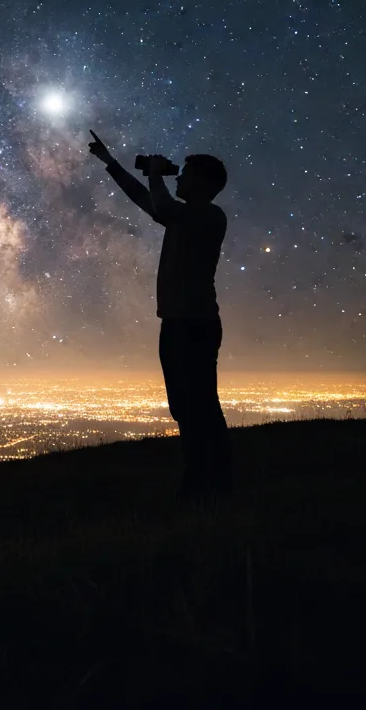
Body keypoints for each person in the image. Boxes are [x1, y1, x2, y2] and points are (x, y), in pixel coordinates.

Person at [87, 130, 231, 501]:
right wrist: (112, 164)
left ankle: (208, 481)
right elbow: (146, 200)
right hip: (178, 323)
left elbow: (162, 206)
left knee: (198, 405)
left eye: (185, 173)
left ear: (204, 183)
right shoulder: (184, 217)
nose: (178, 178)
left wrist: (154, 172)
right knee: (185, 405)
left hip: (193, 325)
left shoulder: (209, 217)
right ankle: (206, 477)